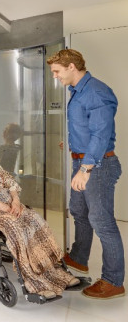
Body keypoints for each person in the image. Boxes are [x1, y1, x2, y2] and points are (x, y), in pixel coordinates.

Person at [0, 125, 80, 300]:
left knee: (35, 220)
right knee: (16, 227)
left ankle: (56, 272)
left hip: (7, 201)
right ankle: (34, 281)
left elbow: (9, 180)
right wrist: (1, 205)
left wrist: (15, 200)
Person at [47, 48, 125, 299]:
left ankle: (113, 281)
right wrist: (74, 145)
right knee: (79, 211)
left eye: (57, 72)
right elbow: (87, 129)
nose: (55, 77)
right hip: (82, 160)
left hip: (97, 166)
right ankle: (79, 258)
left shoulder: (96, 91)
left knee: (102, 221)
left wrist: (85, 168)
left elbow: (101, 134)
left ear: (71, 67)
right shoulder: (77, 92)